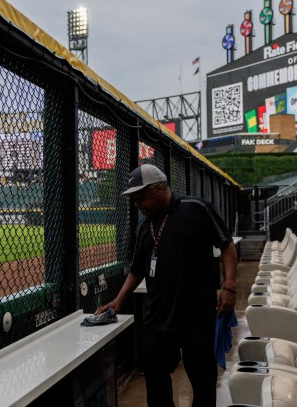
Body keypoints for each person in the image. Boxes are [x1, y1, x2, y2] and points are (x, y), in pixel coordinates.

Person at [96, 164, 237, 407]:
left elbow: (226, 245)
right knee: (155, 380)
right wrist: (119, 300)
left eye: (140, 196)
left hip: (197, 316)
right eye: (133, 198)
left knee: (203, 382)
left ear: (159, 189)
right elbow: (137, 270)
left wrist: (230, 287)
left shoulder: (197, 208)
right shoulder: (144, 227)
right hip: (158, 317)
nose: (137, 203)